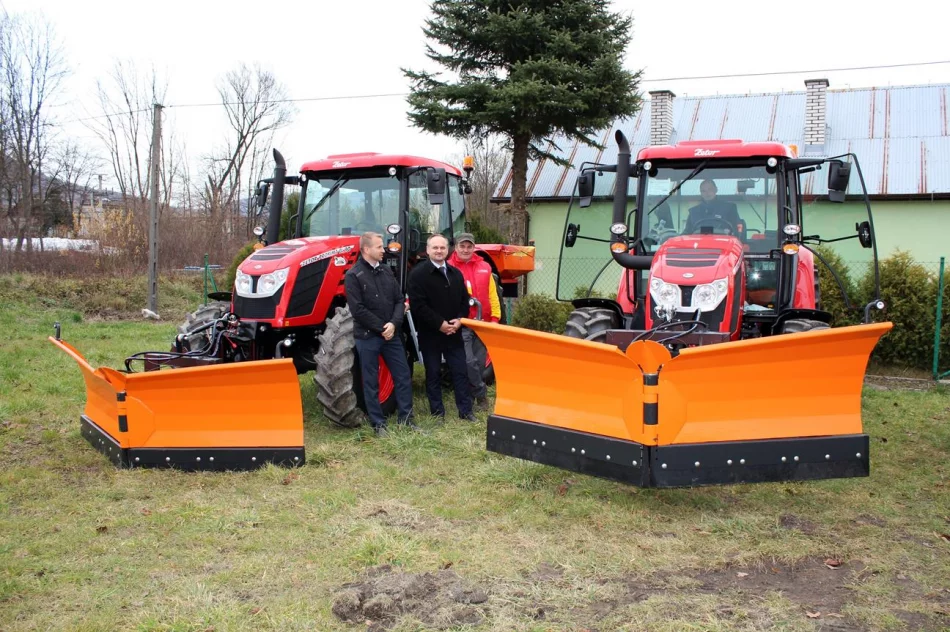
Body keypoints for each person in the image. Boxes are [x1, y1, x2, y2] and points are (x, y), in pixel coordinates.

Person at [344, 232, 416, 437]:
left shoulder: (386, 271)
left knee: (402, 376)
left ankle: (406, 419)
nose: (383, 250)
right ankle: (378, 424)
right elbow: (357, 310)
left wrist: (393, 324)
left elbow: (399, 300)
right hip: (368, 337)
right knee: (370, 381)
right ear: (366, 250)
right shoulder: (353, 275)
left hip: (391, 335)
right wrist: (382, 328)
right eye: (378, 247)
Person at [407, 234, 477, 422]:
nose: (439, 251)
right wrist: (440, 324)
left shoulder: (455, 274)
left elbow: (464, 300)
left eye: (442, 248)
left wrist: (460, 320)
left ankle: (466, 411)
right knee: (433, 374)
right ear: (428, 250)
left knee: (460, 372)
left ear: (448, 250)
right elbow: (418, 305)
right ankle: (437, 413)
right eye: (435, 248)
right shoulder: (418, 275)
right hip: (431, 335)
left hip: (454, 333)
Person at [447, 232, 501, 410]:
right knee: (468, 361)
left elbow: (493, 295)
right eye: (462, 246)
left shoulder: (484, 267)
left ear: (474, 247)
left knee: (478, 363)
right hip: (463, 323)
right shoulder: (448, 267)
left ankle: (473, 397)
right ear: (456, 247)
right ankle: (481, 394)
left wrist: (495, 319)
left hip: (483, 323)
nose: (465, 249)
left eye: (469, 246)